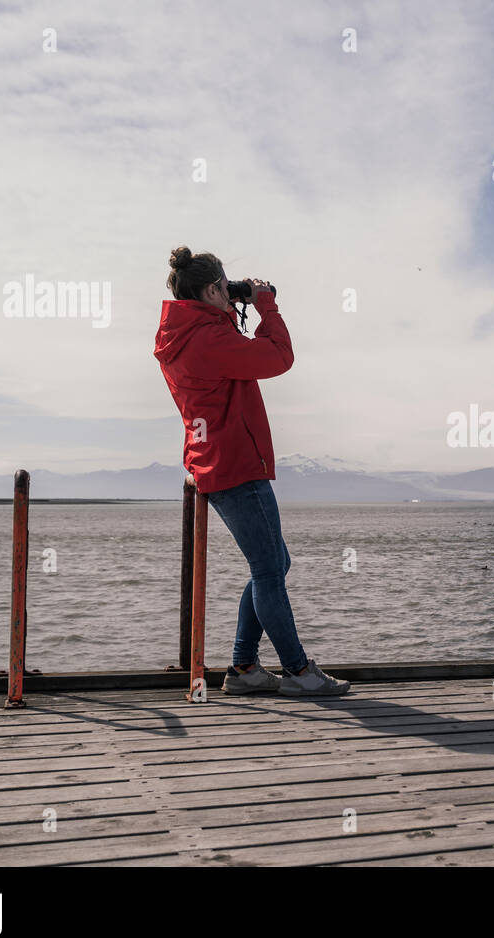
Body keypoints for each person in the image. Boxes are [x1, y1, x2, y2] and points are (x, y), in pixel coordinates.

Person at [153, 246, 350, 696]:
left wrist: (228, 307)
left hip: (214, 461)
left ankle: (243, 668)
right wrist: (266, 306)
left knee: (273, 564)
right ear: (210, 290)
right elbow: (279, 357)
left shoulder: (184, 334)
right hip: (238, 464)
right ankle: (299, 673)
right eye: (225, 285)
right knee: (268, 569)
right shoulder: (210, 340)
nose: (232, 290)